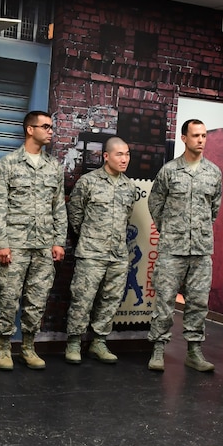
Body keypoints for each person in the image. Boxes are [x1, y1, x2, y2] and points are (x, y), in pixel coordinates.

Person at [0, 110, 67, 370]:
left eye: (51, 127)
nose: (50, 131)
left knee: (37, 299)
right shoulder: (7, 164)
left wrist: (58, 241)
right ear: (30, 130)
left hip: (43, 246)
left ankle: (29, 347)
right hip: (15, 245)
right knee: (8, 298)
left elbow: (59, 208)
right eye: (45, 126)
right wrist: (1, 243)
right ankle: (3, 347)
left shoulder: (54, 166)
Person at [146, 119, 223, 372]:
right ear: (184, 138)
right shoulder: (169, 171)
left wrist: (198, 230)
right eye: (196, 135)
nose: (201, 140)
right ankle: (158, 349)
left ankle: (194, 351)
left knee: (198, 303)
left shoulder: (213, 172)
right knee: (165, 301)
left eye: (204, 135)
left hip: (201, 250)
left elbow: (214, 209)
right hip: (172, 249)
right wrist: (169, 228)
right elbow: (155, 203)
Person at [65, 136, 135, 364]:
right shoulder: (88, 182)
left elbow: (126, 218)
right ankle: (74, 342)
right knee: (82, 299)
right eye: (119, 154)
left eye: (127, 154)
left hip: (118, 254)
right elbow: (75, 215)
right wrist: (89, 237)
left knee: (111, 299)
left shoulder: (129, 186)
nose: (124, 159)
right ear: (106, 156)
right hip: (91, 252)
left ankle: (99, 342)